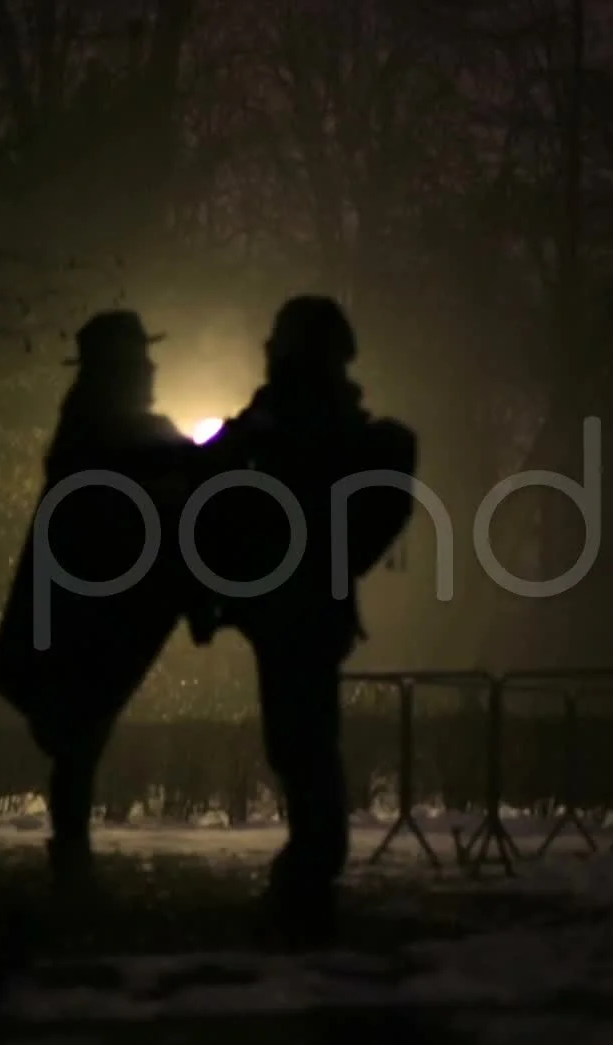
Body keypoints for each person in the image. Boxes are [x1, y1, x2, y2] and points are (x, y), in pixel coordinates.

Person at [192, 295, 416, 946]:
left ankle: (313, 868)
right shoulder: (312, 415)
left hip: (294, 602)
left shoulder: (297, 416)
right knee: (302, 738)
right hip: (303, 601)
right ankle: (312, 864)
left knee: (302, 740)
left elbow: (244, 472)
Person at [0, 311, 196, 896]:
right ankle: (71, 854)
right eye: (143, 360)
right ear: (124, 369)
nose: (154, 369)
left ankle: (71, 851)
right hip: (90, 615)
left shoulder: (97, 429)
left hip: (90, 610)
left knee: (81, 733)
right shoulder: (104, 434)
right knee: (80, 731)